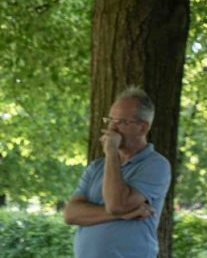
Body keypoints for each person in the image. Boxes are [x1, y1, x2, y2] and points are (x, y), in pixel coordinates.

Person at [64, 87, 172, 258]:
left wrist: (111, 152)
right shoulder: (97, 167)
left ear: (143, 127)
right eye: (110, 120)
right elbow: (70, 214)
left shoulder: (156, 165)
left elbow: (116, 205)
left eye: (121, 122)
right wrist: (124, 214)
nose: (112, 128)